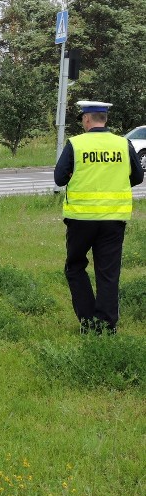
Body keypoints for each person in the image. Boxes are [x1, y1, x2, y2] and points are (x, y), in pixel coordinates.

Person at [54, 100, 144, 334]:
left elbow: (59, 178)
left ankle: (88, 322)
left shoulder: (76, 144)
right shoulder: (123, 144)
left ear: (86, 119)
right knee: (108, 272)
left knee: (75, 267)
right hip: (113, 219)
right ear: (104, 119)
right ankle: (107, 324)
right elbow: (137, 177)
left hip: (81, 220)